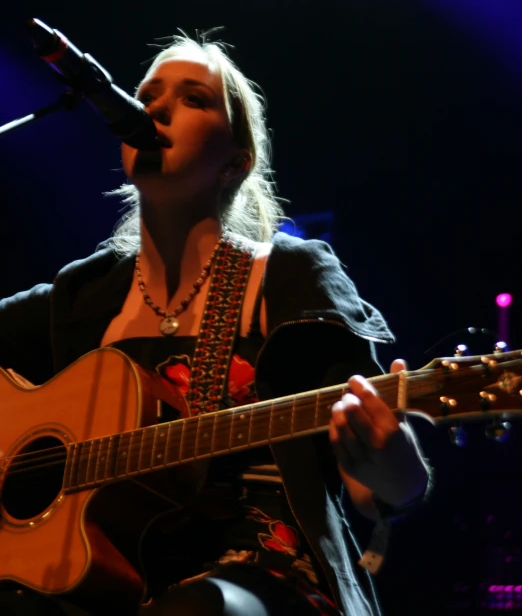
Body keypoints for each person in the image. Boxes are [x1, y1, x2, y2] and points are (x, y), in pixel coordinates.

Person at [0, 32, 430, 616]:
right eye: (147, 93)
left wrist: (393, 462)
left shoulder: (288, 275)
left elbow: (375, 492)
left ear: (236, 161)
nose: (155, 106)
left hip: (260, 576)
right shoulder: (83, 295)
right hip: (106, 581)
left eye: (193, 98)